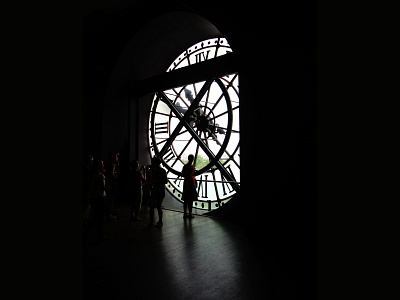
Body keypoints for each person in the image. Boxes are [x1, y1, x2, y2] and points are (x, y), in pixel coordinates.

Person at [88, 159, 108, 241]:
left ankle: (87, 230)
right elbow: (103, 188)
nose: (103, 165)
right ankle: (100, 235)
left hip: (93, 197)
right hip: (100, 197)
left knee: (95, 216)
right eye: (102, 164)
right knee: (100, 217)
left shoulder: (91, 175)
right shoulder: (101, 176)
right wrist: (111, 186)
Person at [146, 156, 168, 227]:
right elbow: (165, 181)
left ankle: (151, 222)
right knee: (158, 206)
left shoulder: (152, 171)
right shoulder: (163, 171)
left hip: (154, 190)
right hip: (160, 190)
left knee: (152, 207)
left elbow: (150, 181)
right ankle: (160, 221)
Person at [182, 154, 197, 219]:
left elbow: (183, 174)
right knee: (191, 200)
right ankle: (190, 213)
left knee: (186, 200)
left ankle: (185, 213)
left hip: (186, 184)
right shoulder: (191, 167)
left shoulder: (185, 167)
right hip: (191, 184)